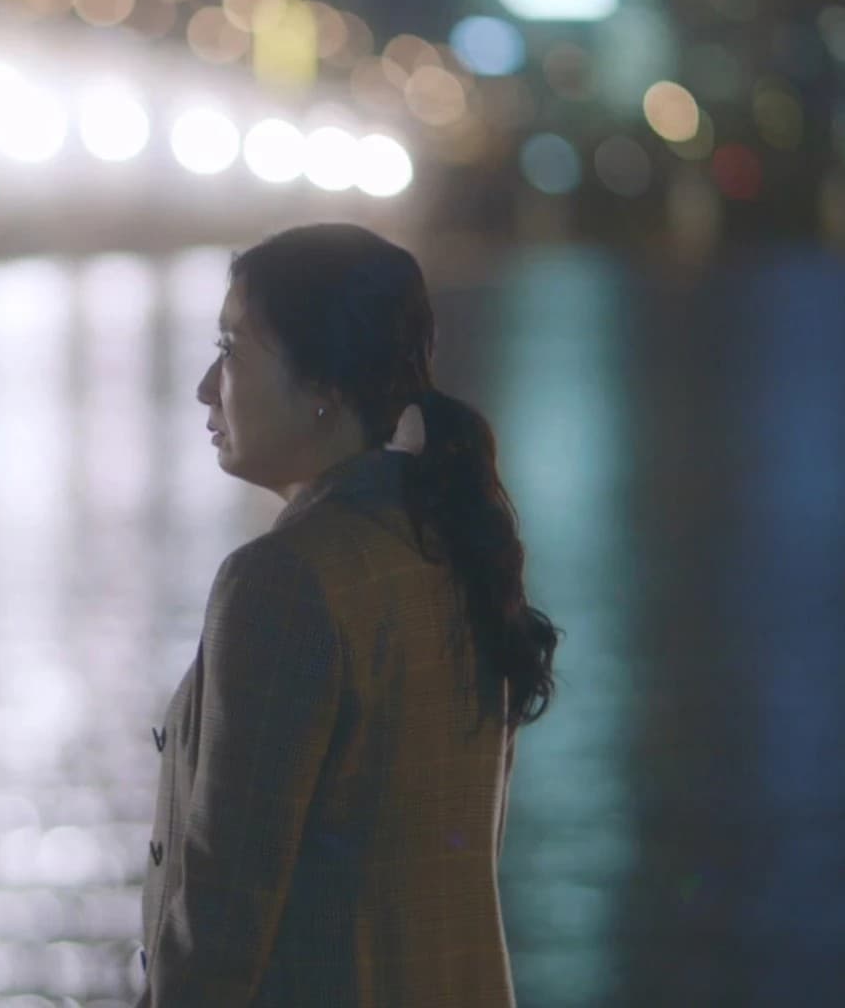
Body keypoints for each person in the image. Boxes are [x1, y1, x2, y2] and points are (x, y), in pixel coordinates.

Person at [137, 224, 560, 1006]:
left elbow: (223, 923)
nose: (205, 386)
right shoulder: (452, 547)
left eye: (230, 349)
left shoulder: (283, 582)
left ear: (324, 387)